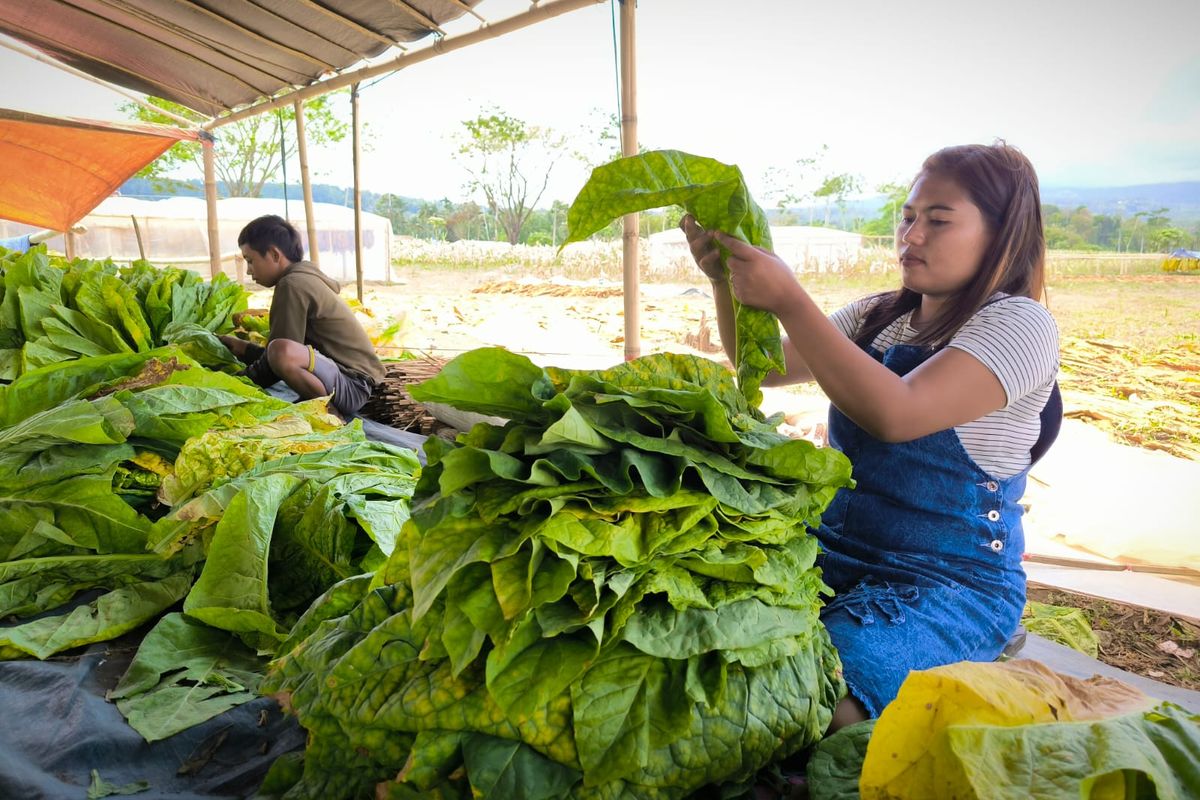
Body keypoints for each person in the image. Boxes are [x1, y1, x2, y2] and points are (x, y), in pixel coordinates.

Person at [682, 142, 1061, 731]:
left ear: (1002, 235)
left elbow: (897, 413)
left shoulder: (1018, 324)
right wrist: (724, 283)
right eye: (908, 216)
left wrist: (789, 298)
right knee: (703, 638)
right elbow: (763, 366)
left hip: (949, 584)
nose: (911, 236)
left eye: (938, 221)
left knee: (819, 697)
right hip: (830, 554)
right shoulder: (879, 314)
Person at [219, 215, 385, 420]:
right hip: (344, 380)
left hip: (352, 385)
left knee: (282, 350)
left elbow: (278, 358)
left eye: (250, 260)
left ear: (274, 254)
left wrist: (232, 384)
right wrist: (243, 349)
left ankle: (328, 412)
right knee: (280, 350)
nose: (248, 270)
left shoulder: (292, 285)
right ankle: (320, 403)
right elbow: (273, 358)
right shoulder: (302, 278)